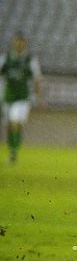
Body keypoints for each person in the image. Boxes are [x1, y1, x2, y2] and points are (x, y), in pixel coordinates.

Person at [1, 33, 43, 164]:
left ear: (25, 44)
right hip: (8, 96)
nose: (19, 45)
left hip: (23, 98)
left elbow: (37, 79)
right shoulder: (6, 59)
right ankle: (13, 152)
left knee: (15, 123)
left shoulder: (30, 60)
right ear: (14, 44)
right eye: (17, 42)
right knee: (9, 125)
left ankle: (14, 152)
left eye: (22, 43)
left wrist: (38, 96)